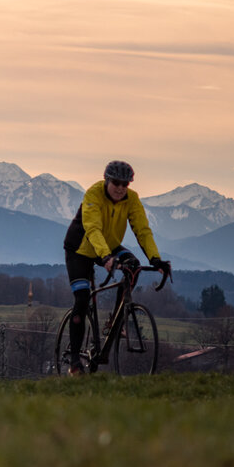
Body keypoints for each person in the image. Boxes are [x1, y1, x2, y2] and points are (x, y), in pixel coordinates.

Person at [61, 161, 169, 375]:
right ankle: (74, 361)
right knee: (82, 299)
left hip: (108, 245)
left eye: (125, 184)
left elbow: (143, 230)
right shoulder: (93, 194)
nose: (120, 188)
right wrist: (106, 257)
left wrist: (156, 259)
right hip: (80, 249)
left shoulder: (132, 199)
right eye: (116, 183)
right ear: (107, 180)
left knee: (133, 266)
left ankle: (115, 322)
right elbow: (92, 228)